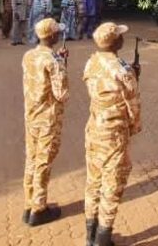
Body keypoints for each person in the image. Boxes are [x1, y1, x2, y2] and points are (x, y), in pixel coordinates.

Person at [83, 22, 141, 246]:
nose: (122, 38)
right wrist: (134, 127)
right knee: (112, 183)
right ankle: (103, 237)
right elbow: (133, 103)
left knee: (93, 181)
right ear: (115, 42)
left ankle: (90, 234)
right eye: (120, 36)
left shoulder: (91, 62)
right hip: (114, 133)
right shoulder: (122, 69)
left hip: (94, 127)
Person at [22, 18, 70, 227]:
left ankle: (29, 202)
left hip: (32, 115)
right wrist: (62, 65)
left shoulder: (29, 56)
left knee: (32, 158)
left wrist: (59, 60)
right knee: (44, 161)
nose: (59, 35)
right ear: (51, 36)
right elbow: (62, 94)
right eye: (57, 32)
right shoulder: (54, 61)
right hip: (49, 118)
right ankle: (39, 209)